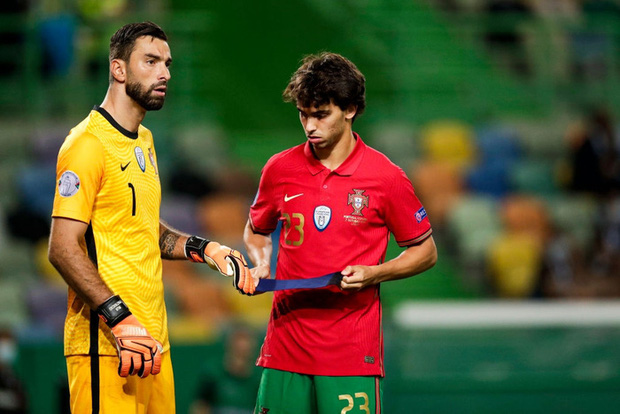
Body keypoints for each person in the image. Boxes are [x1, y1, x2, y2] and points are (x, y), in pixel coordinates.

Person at [48, 21, 249, 413]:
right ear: (118, 69)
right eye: (151, 61)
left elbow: (141, 229)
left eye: (168, 63)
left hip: (155, 344)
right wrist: (119, 318)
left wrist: (205, 249)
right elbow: (61, 247)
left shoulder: (145, 140)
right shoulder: (86, 145)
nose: (165, 73)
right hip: (108, 346)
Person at [242, 52, 438, 413]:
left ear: (349, 109)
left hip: (350, 352)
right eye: (303, 114)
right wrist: (261, 262)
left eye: (320, 114)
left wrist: (375, 273)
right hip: (285, 347)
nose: (309, 126)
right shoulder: (279, 168)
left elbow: (425, 251)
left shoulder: (386, 177)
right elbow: (256, 230)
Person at [191, 325, 261, 414]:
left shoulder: (260, 378)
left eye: (244, 352)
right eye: (237, 351)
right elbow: (199, 406)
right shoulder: (212, 372)